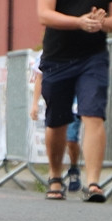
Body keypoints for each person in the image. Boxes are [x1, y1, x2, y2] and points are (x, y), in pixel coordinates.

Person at [36, 0, 112, 202]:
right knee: (57, 121)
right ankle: (55, 175)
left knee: (93, 114)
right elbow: (44, 14)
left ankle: (94, 182)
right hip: (58, 56)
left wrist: (100, 24)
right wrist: (79, 22)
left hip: (93, 57)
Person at [30, 63, 83, 192]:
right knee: (54, 137)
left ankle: (74, 168)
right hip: (57, 102)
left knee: (71, 139)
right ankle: (55, 175)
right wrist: (35, 104)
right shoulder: (50, 49)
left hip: (75, 103)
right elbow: (40, 76)